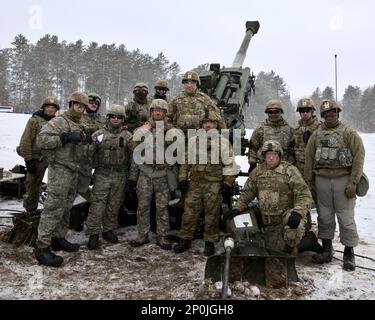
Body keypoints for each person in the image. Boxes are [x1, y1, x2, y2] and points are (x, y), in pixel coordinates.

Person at [304, 100, 365, 271]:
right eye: (325, 114)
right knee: (324, 216)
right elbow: (309, 158)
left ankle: (349, 252)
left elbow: (359, 156)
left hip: (343, 179)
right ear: (322, 116)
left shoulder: (348, 132)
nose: (329, 117)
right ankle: (326, 249)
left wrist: (353, 181)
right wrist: (309, 182)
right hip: (321, 180)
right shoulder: (317, 134)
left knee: (345, 217)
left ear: (337, 113)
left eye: (332, 113)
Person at [34, 92, 89, 267]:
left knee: (66, 207)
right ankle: (42, 247)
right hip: (60, 170)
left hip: (74, 170)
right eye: (77, 105)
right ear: (71, 104)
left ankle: (59, 237)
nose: (80, 109)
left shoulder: (80, 124)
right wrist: (63, 138)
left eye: (83, 107)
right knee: (53, 208)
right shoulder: (59, 121)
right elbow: (41, 140)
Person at [228, 140, 312, 253]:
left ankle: (294, 248)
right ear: (264, 156)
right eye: (268, 155)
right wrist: (237, 208)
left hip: (285, 219)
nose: (271, 158)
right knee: (271, 249)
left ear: (279, 155)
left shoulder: (290, 171)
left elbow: (304, 194)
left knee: (293, 233)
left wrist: (297, 212)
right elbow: (247, 192)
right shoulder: (258, 172)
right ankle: (304, 243)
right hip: (268, 222)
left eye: (274, 155)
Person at [173, 111, 238, 256]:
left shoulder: (223, 142)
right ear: (201, 125)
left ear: (215, 125)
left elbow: (230, 165)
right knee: (189, 212)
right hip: (195, 183)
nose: (208, 125)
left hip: (214, 184)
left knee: (212, 214)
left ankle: (210, 242)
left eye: (211, 122)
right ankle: (185, 239)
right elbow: (185, 162)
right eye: (205, 122)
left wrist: (227, 183)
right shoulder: (193, 141)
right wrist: (183, 178)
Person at [128, 99, 182, 250]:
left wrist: (169, 133)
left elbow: (179, 153)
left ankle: (162, 236)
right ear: (151, 112)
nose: (157, 112)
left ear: (165, 113)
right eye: (155, 110)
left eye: (161, 110)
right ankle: (142, 235)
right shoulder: (143, 129)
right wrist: (144, 130)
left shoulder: (172, 130)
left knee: (162, 207)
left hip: (163, 174)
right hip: (145, 173)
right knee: (143, 206)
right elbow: (132, 147)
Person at [86, 104, 132, 250]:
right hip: (102, 174)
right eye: (113, 116)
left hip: (120, 175)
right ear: (108, 117)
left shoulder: (128, 136)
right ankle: (93, 233)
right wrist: (89, 174)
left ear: (123, 119)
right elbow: (89, 155)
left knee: (114, 204)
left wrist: (131, 177)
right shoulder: (98, 135)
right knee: (97, 204)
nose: (116, 119)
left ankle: (108, 230)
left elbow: (133, 159)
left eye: (119, 117)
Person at [17, 96, 59, 215]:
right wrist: (28, 161)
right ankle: (30, 211)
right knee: (32, 187)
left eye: (53, 107)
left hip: (51, 159)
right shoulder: (34, 120)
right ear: (44, 107)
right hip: (36, 160)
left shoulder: (57, 122)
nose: (50, 109)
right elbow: (25, 141)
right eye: (48, 107)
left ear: (56, 110)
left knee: (54, 187)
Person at [248, 99, 294, 173]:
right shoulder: (260, 129)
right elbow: (253, 147)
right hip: (264, 168)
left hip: (283, 169)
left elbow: (293, 150)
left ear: (281, 112)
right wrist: (252, 164)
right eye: (270, 112)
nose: (273, 114)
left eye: (276, 112)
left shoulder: (289, 130)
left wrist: (291, 166)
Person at [77, 92, 105, 199]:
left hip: (98, 156)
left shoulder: (102, 120)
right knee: (81, 184)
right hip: (82, 156)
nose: (94, 105)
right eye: (91, 102)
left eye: (96, 103)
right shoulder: (79, 117)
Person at [292, 98, 321, 177]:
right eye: (302, 111)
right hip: (298, 168)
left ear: (312, 111)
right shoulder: (296, 129)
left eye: (307, 110)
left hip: (315, 168)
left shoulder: (320, 127)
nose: (305, 113)